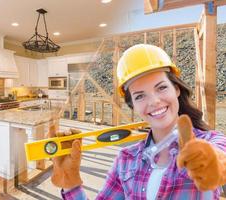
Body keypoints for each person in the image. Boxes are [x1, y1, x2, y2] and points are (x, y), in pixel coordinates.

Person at [51, 44, 226, 199]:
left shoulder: (211, 142)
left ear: (177, 89)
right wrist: (71, 182)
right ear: (132, 105)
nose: (154, 101)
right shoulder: (125, 160)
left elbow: (221, 158)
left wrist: (211, 162)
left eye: (162, 87)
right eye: (140, 96)